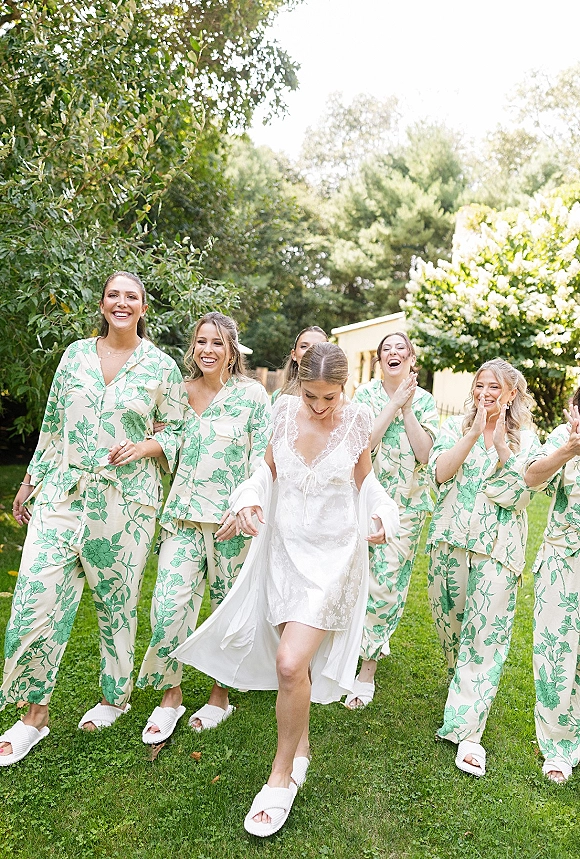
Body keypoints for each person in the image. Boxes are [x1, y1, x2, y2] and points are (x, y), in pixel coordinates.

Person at [172, 342, 399, 836]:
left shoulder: (357, 421)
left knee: (291, 664)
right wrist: (250, 498)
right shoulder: (281, 412)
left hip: (333, 557)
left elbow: (366, 481)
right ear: (299, 383)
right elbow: (266, 469)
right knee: (297, 667)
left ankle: (279, 777)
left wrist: (383, 512)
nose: (319, 406)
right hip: (283, 552)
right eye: (311, 395)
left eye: (329, 397)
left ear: (344, 388)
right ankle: (301, 747)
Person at [0, 272, 186, 766]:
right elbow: (53, 425)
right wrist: (29, 481)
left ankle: (113, 698)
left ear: (143, 307)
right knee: (34, 599)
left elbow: (178, 430)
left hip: (127, 503)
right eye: (113, 295)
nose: (121, 303)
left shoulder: (161, 367)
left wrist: (145, 446)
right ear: (102, 304)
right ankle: (32, 716)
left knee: (116, 603)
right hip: (63, 494)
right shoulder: (75, 356)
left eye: (132, 296)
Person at [137, 312, 271, 742]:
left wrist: (247, 503)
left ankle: (220, 695)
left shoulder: (253, 395)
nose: (207, 350)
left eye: (217, 343)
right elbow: (168, 441)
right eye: (201, 341)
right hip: (182, 518)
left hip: (232, 524)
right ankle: (171, 695)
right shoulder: (179, 392)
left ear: (231, 351)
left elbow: (263, 459)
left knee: (227, 612)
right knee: (166, 608)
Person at [427, 358, 539, 777]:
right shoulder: (455, 428)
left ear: (511, 394)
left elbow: (519, 495)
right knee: (452, 626)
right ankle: (463, 687)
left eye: (494, 387)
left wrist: (501, 446)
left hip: (498, 549)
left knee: (484, 636)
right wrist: (473, 433)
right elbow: (440, 473)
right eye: (480, 385)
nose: (485, 393)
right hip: (450, 539)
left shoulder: (528, 439)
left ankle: (469, 733)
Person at [346, 332, 439, 708]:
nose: (393, 353)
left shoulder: (426, 401)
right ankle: (347, 646)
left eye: (401, 348)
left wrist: (408, 408)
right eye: (387, 349)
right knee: (354, 580)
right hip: (363, 502)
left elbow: (425, 454)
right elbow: (362, 445)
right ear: (380, 360)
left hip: (407, 509)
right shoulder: (365, 396)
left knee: (386, 585)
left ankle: (366, 669)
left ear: (412, 358)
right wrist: (393, 404)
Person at [524, 389, 580, 784]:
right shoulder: (565, 434)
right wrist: (568, 450)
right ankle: (558, 746)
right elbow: (532, 477)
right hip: (562, 559)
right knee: (555, 653)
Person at [271, 326, 328, 401]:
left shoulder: (340, 400)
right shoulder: (278, 397)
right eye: (304, 346)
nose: (310, 351)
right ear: (294, 354)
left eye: (318, 347)